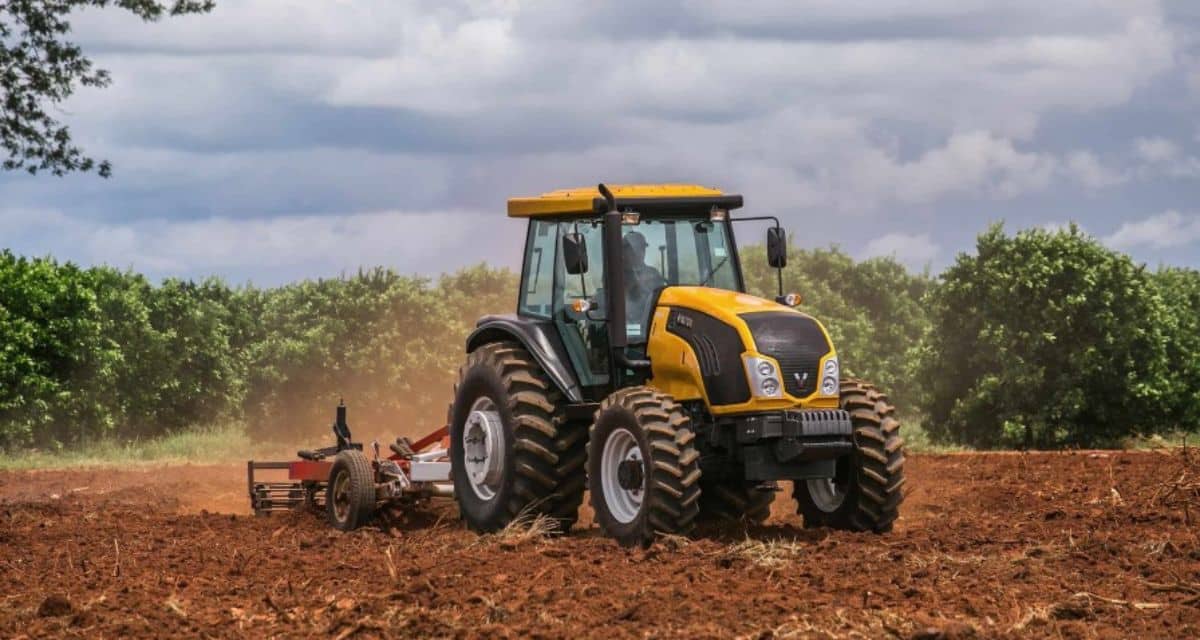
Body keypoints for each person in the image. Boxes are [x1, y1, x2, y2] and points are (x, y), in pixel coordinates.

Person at [622, 231, 665, 330]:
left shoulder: (653, 274)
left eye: (642, 249)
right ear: (624, 251)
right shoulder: (616, 274)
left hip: (649, 324)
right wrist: (633, 285)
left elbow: (660, 299)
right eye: (633, 250)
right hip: (623, 327)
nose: (639, 253)